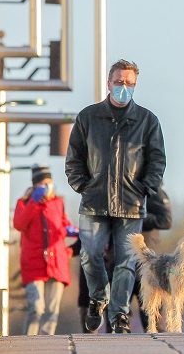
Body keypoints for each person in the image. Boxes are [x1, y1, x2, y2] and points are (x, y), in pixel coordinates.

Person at [66, 59, 167, 334]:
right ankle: (98, 299)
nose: (124, 87)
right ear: (109, 83)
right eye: (119, 82)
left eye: (130, 83)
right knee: (90, 255)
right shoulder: (88, 117)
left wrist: (144, 187)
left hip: (131, 204)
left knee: (125, 262)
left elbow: (157, 160)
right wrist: (82, 185)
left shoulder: (147, 120)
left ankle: (119, 316)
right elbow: (74, 157)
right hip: (94, 202)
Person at [13, 164, 78, 335]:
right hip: (34, 263)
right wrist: (33, 202)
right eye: (43, 183)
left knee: (52, 309)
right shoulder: (24, 203)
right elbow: (19, 224)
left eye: (49, 182)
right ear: (35, 185)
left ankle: (46, 341)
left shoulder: (57, 203)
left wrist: (72, 230)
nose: (47, 187)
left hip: (57, 262)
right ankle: (29, 341)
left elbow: (63, 224)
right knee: (36, 307)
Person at [133, 186, 173, 331]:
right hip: (122, 257)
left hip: (148, 257)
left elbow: (166, 220)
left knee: (151, 303)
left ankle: (156, 334)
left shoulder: (155, 192)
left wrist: (136, 216)